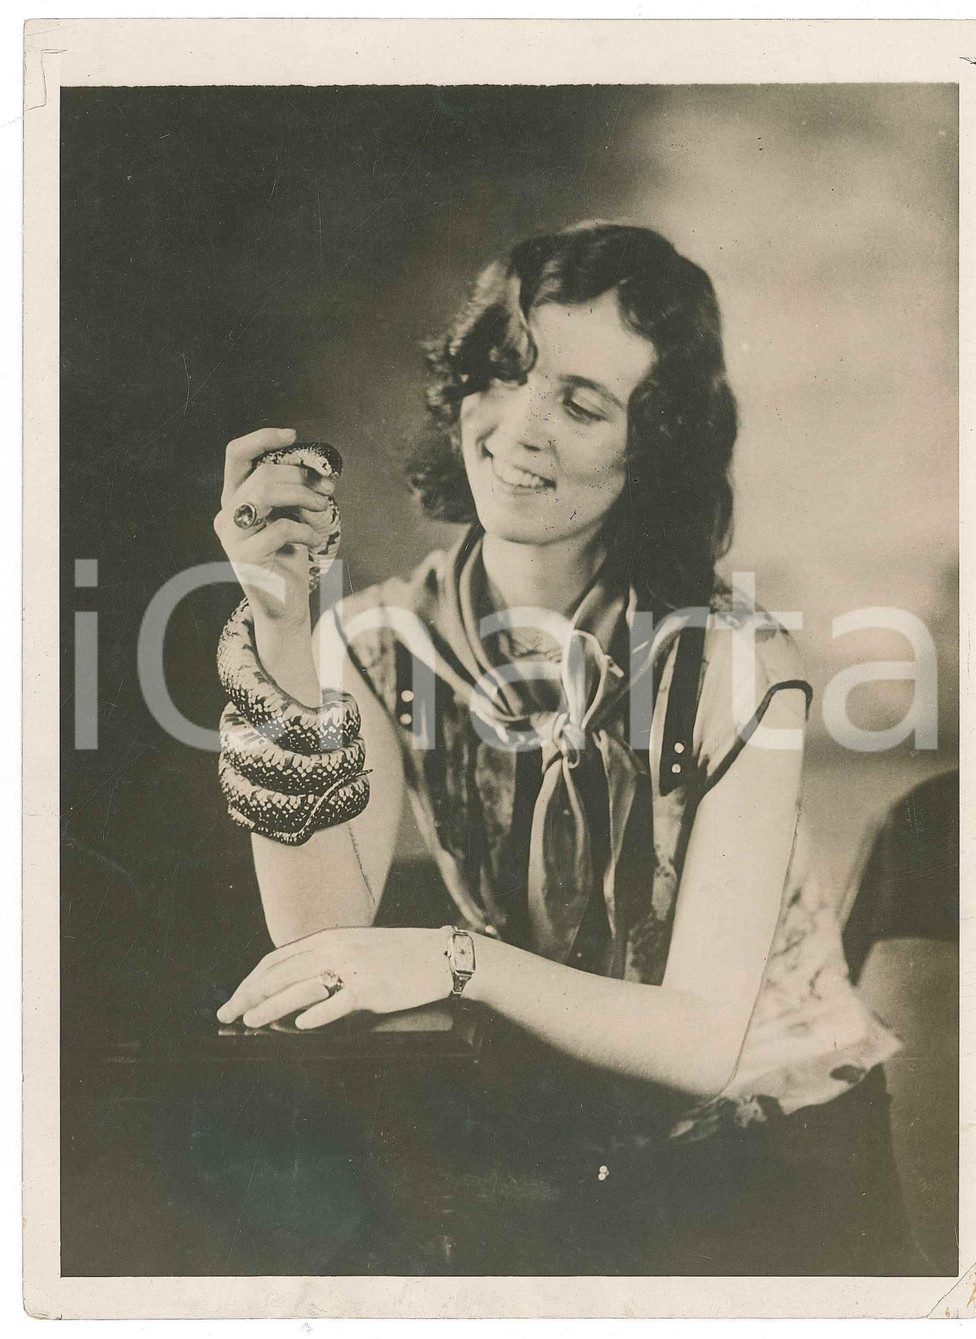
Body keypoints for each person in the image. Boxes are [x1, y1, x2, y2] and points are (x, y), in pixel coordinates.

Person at [212, 221, 915, 1274]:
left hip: (785, 1173)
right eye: (503, 374)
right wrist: (276, 625)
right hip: (569, 1164)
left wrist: (454, 960)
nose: (517, 429)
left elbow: (699, 1040)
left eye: (580, 404)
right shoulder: (373, 642)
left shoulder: (733, 664)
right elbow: (319, 940)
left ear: (655, 447)